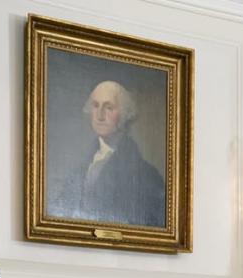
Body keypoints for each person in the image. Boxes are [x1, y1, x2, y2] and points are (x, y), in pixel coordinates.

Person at [56, 80, 166, 227]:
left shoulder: (147, 176)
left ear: (125, 114)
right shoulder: (79, 170)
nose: (100, 115)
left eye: (109, 108)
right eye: (95, 106)